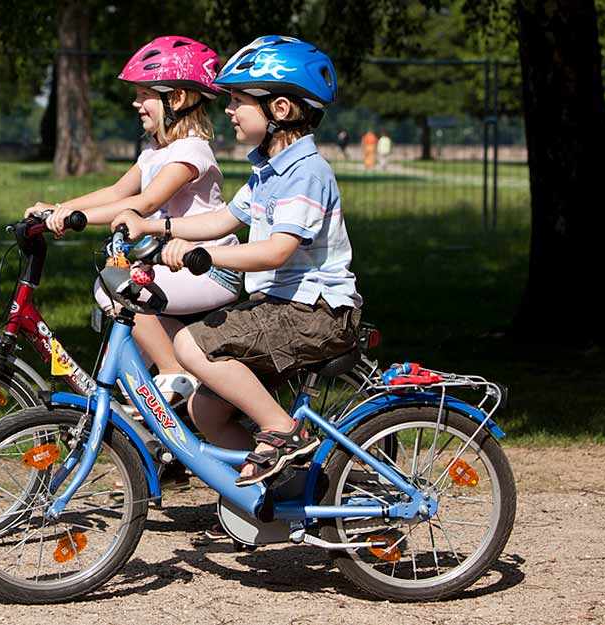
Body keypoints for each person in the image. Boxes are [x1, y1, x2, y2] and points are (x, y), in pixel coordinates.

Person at [113, 36, 362, 487]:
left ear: (279, 110)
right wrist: (155, 228)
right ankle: (285, 490)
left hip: (316, 312)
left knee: (190, 344)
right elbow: (224, 217)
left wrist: (204, 258)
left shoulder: (305, 171)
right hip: (283, 306)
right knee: (204, 409)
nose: (228, 110)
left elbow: (276, 250)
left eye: (239, 102)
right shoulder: (268, 169)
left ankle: (284, 431)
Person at [25, 36, 242, 407]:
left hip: (209, 269)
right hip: (175, 268)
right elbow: (115, 192)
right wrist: (59, 208)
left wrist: (77, 220)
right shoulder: (155, 152)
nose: (135, 103)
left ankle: (176, 370)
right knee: (130, 376)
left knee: (116, 289)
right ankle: (161, 438)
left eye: (144, 95)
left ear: (175, 99)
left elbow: (145, 201)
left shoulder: (191, 152)